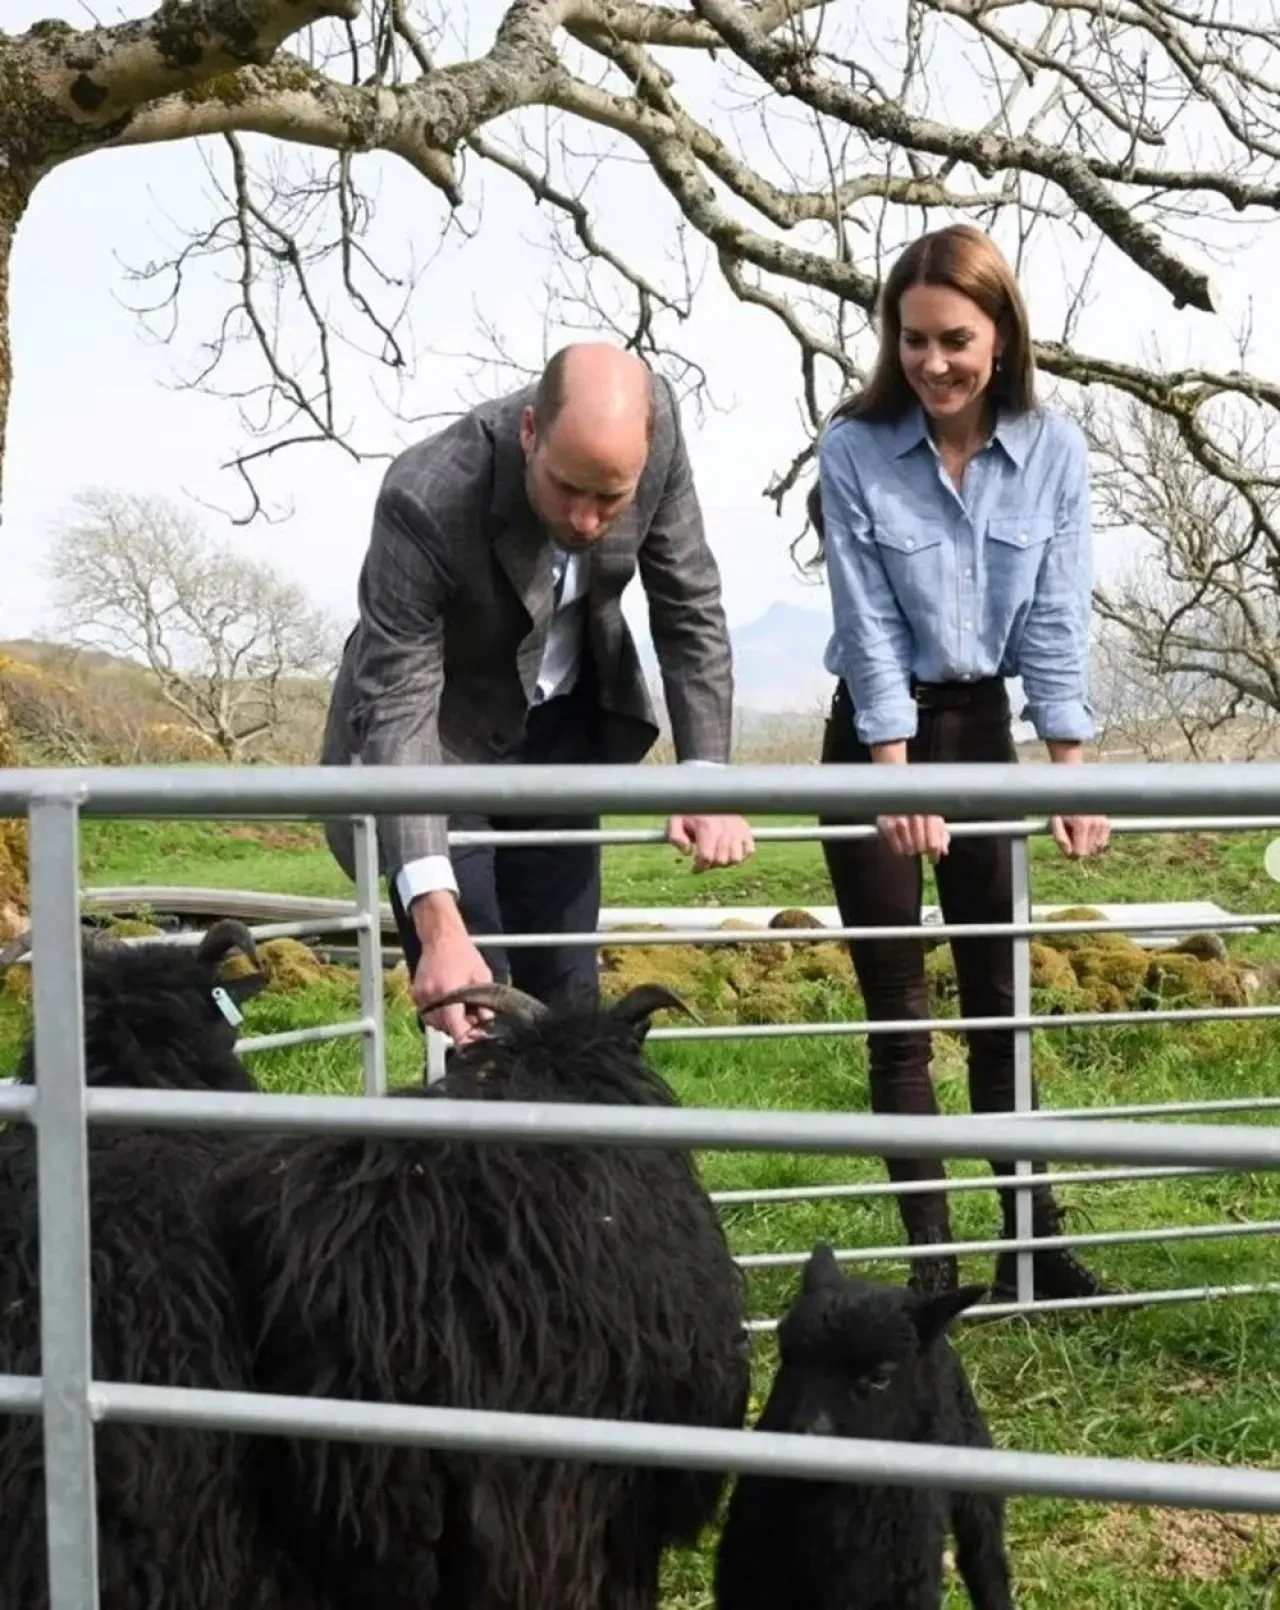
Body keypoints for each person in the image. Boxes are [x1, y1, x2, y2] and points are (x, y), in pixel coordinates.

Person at [812, 223, 1111, 1303]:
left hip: (982, 730)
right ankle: (931, 1270)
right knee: (898, 1010)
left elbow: (1055, 623)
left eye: (953, 340)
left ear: (1000, 339)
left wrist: (1066, 761)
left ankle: (1030, 1244)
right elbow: (867, 618)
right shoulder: (849, 450)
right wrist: (894, 774)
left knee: (999, 1003)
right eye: (911, 341)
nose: (932, 364)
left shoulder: (1054, 452)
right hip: (873, 737)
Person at [321, 342, 755, 1048]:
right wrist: (435, 920)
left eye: (610, 497)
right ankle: (481, 1154)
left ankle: (573, 1157)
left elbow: (689, 604)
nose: (586, 521)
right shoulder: (426, 495)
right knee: (477, 993)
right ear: (529, 432)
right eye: (566, 489)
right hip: (437, 740)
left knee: (567, 1004)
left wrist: (705, 775)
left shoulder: (659, 427)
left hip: (562, 732)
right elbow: (399, 701)